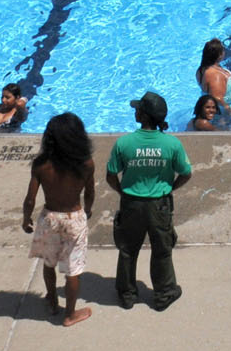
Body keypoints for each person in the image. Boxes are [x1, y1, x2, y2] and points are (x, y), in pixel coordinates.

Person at [107, 91, 191, 311]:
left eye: (138, 108)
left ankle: (127, 294)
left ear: (144, 115)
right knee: (162, 250)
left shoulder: (124, 143)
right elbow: (186, 172)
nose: (135, 110)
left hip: (131, 203)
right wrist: (170, 188)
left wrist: (124, 192)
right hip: (159, 205)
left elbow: (110, 175)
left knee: (127, 249)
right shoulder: (171, 144)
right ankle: (164, 294)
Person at [26, 112, 97, 326]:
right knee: (72, 270)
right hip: (74, 217)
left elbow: (30, 199)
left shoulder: (41, 165)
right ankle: (70, 314)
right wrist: (89, 209)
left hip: (50, 217)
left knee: (49, 263)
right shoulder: (86, 164)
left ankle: (52, 301)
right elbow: (90, 192)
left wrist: (25, 218)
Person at [196, 39, 231, 117]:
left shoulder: (202, 69)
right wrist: (229, 109)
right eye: (223, 50)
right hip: (221, 113)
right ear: (219, 55)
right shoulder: (215, 75)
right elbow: (217, 98)